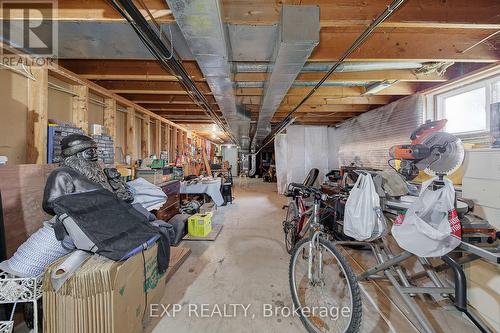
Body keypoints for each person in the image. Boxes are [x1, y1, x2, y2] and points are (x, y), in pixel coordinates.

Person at [43, 134, 133, 215]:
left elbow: (114, 195)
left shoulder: (96, 173)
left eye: (95, 151)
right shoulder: (61, 174)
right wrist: (93, 203)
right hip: (86, 221)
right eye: (90, 152)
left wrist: (115, 183)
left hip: (112, 214)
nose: (95, 155)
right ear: (77, 156)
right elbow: (50, 204)